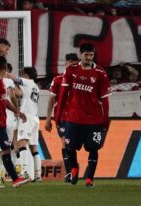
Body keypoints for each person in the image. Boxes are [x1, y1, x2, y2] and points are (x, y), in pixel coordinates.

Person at [55, 43, 111, 187]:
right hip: (73, 118)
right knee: (69, 147)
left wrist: (105, 119)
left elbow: (105, 99)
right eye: (86, 54)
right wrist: (58, 115)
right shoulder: (71, 70)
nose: (88, 57)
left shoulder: (100, 73)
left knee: (93, 148)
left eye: (91, 55)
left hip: (94, 119)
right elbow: (63, 95)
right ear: (80, 54)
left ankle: (89, 178)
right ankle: (74, 168)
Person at [0, 55, 29, 188]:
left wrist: (17, 111)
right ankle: (15, 179)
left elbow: (3, 101)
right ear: (5, 67)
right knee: (5, 149)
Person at [45, 53, 79, 183]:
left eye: (75, 64)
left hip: (76, 117)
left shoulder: (80, 80)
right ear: (65, 64)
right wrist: (48, 118)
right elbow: (51, 99)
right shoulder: (58, 79)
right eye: (70, 64)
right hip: (62, 117)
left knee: (72, 145)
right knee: (65, 143)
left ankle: (72, 169)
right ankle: (69, 172)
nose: (73, 67)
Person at [7, 67, 41, 182]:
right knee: (34, 148)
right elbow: (19, 92)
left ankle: (25, 173)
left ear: (26, 75)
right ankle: (38, 176)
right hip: (35, 118)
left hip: (27, 118)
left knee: (21, 144)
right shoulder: (36, 86)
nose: (20, 76)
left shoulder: (27, 82)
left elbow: (13, 78)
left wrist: (1, 73)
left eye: (22, 74)